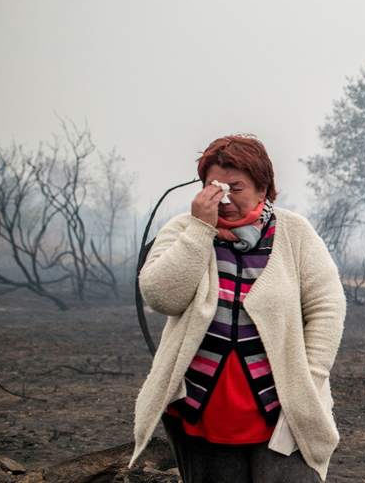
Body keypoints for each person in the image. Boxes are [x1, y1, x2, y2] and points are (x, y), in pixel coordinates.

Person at [130, 135, 345, 482]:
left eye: (236, 187)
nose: (225, 198)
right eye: (215, 188)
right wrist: (201, 229)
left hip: (281, 408)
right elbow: (160, 296)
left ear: (263, 189)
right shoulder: (185, 231)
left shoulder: (294, 233)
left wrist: (311, 377)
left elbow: (327, 306)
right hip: (199, 411)